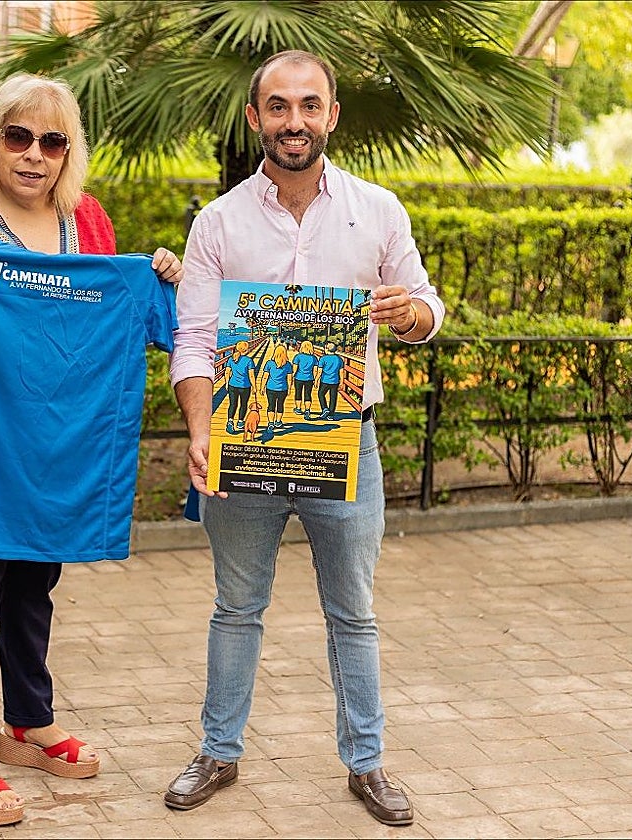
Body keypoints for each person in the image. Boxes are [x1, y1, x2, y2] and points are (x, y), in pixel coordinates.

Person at [0, 73, 183, 827]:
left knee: (33, 582)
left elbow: (115, 317)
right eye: (18, 137)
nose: (33, 155)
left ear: (68, 153)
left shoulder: (89, 224)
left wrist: (154, 280)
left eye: (51, 141)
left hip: (59, 442)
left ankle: (27, 721)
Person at [165, 50, 444, 826]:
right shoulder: (216, 222)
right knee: (235, 608)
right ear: (255, 118)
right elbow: (192, 340)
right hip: (241, 441)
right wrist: (198, 429)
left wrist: (411, 316)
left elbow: (425, 305)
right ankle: (218, 753)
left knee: (352, 612)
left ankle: (367, 763)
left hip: (348, 447)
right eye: (279, 106)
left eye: (309, 105)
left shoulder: (380, 211)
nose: (295, 121)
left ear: (331, 116)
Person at [260, 344, 293, 429]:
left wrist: (262, 387)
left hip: (270, 388)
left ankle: (271, 422)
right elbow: (289, 379)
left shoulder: (269, 363)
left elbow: (265, 377)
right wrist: (289, 388)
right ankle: (278, 421)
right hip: (283, 388)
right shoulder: (288, 365)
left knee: (271, 405)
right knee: (280, 405)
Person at [316, 343, 345, 419]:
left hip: (325, 380)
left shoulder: (323, 358)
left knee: (321, 394)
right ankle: (331, 414)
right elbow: (341, 372)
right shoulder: (339, 359)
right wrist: (342, 382)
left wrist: (316, 380)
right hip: (335, 381)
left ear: (326, 349)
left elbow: (319, 372)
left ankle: (324, 408)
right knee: (333, 397)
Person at [292, 340, 317, 416]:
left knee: (298, 393)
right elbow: (315, 370)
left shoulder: (298, 356)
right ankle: (307, 410)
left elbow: (294, 369)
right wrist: (315, 379)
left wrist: (292, 377)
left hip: (299, 378)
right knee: (308, 394)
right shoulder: (314, 358)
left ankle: (298, 409)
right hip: (309, 378)